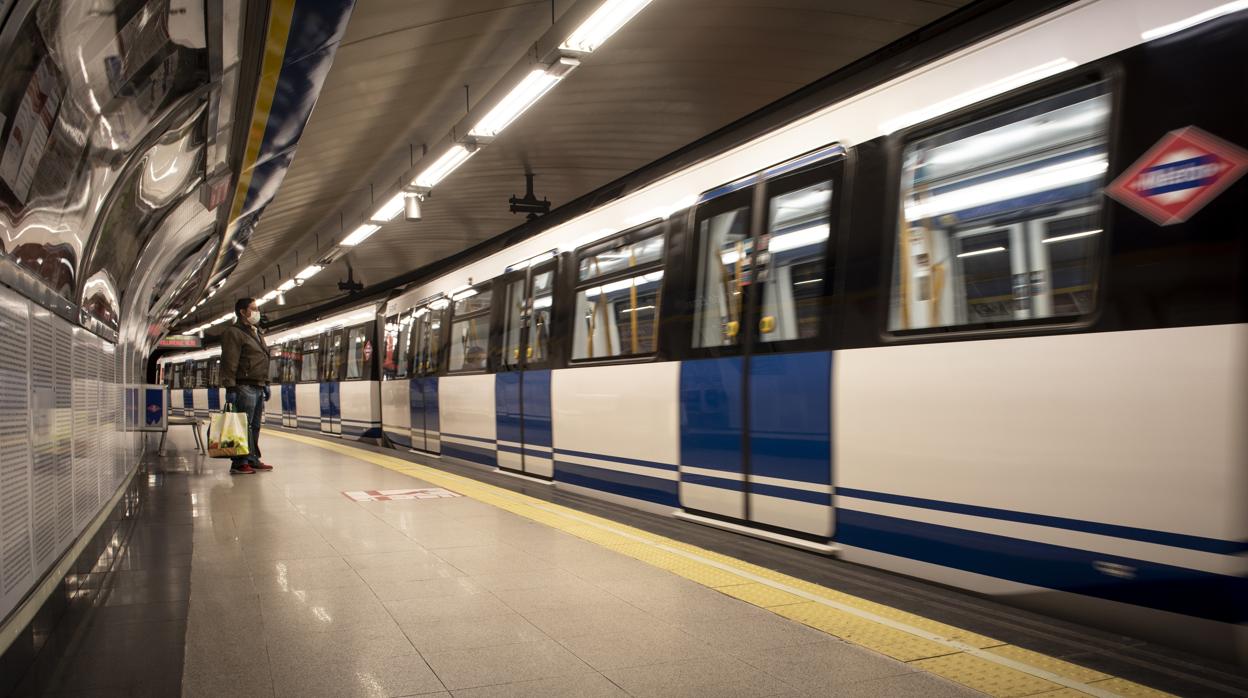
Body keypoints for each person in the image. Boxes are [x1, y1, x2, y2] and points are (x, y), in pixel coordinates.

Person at [220, 297, 273, 474]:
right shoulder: (234, 333)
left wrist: (266, 382)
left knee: (255, 425)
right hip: (244, 386)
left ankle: (252, 458)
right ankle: (239, 462)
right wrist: (230, 387)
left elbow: (263, 358)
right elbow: (229, 361)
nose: (257, 312)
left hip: (257, 385)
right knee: (243, 424)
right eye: (254, 308)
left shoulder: (256, 332)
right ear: (243, 311)